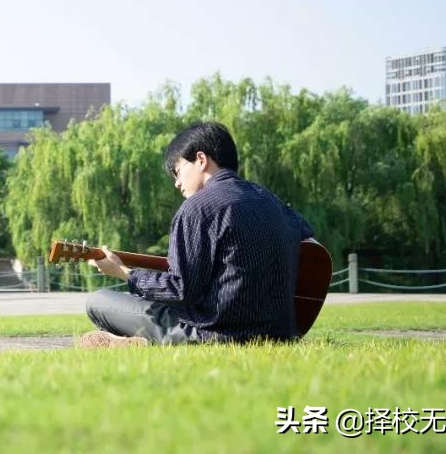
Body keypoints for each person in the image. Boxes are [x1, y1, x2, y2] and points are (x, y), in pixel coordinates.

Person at [80, 121, 314, 347]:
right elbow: (311, 244)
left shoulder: (197, 208)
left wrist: (123, 272)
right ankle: (132, 341)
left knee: (98, 301)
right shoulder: (270, 200)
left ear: (201, 160)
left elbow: (180, 290)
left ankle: (136, 341)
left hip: (213, 333)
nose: (177, 183)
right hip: (280, 332)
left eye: (178, 171)